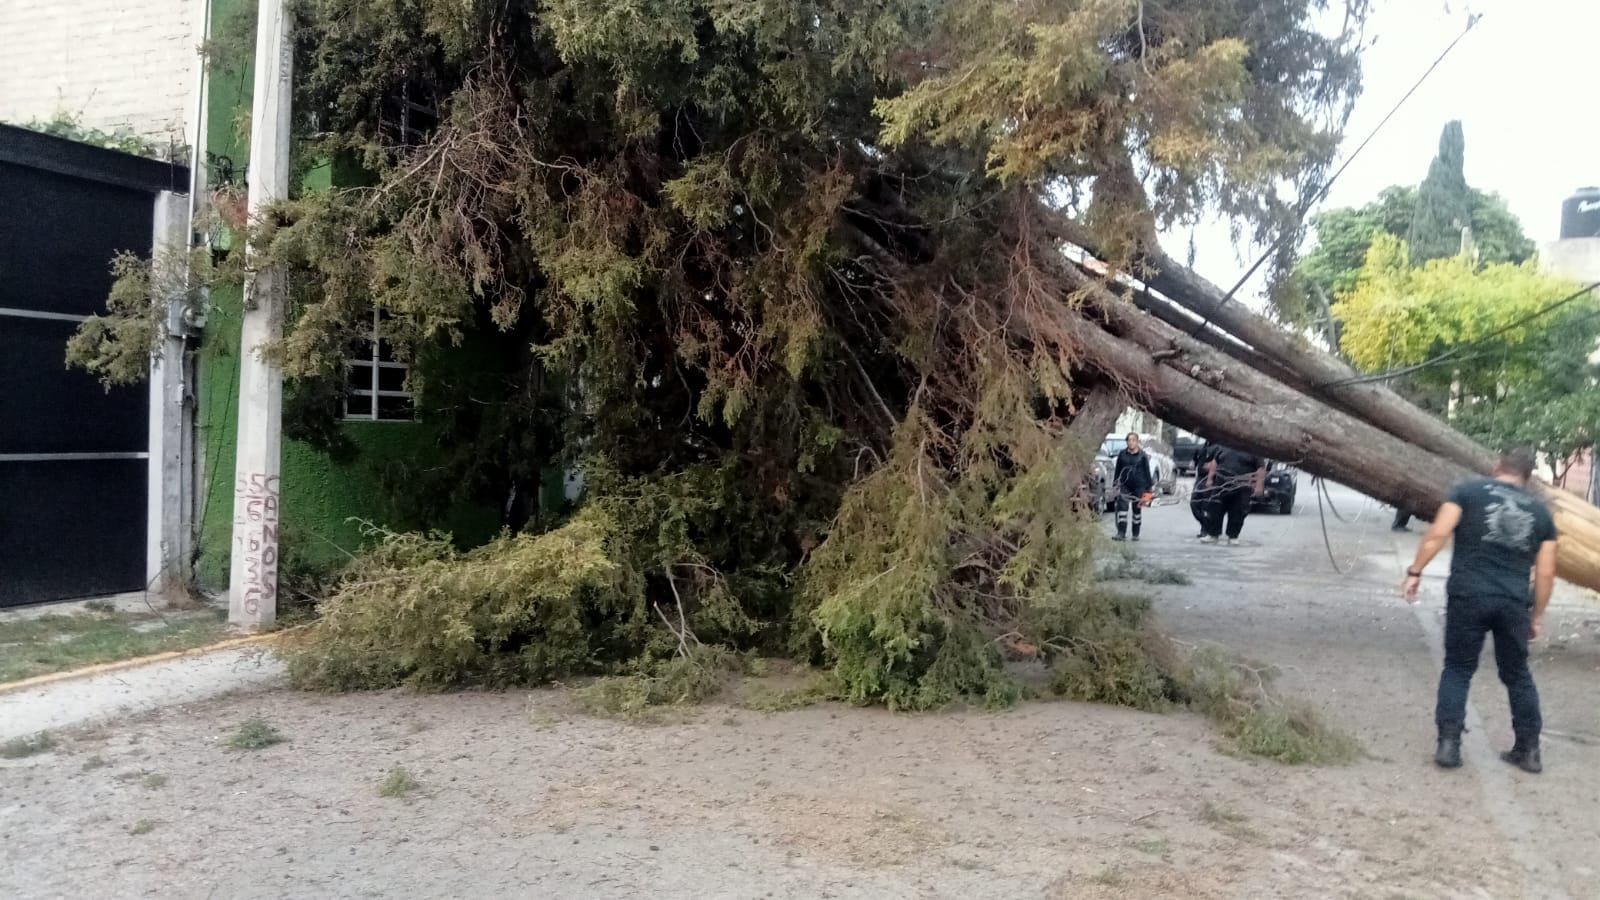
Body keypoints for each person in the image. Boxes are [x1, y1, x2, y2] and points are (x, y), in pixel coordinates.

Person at [1403, 448, 1557, 773]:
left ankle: (1448, 746)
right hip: (1513, 601)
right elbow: (1545, 573)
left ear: (1497, 466)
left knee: (1458, 668)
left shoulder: (1466, 491)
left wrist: (1416, 571)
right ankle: (1529, 751)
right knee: (1517, 674)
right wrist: (1537, 615)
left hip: (1468, 594)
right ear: (1528, 477)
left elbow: (1438, 534)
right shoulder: (1542, 513)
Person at [1199, 445, 1265, 545]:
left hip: (1242, 486)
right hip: (1221, 485)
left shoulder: (1253, 449)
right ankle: (1213, 535)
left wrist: (1259, 485)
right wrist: (1210, 479)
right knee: (1214, 509)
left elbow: (1261, 468)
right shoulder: (1224, 446)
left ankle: (1233, 536)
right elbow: (1215, 463)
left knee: (1238, 512)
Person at [1111, 432, 1155, 542]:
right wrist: (1116, 483)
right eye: (1129, 440)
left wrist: (1149, 488)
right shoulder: (1122, 454)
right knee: (1122, 509)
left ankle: (1136, 533)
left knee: (1137, 510)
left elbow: (1147, 472)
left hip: (1139, 486)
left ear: (1137, 442)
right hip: (1125, 485)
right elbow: (1118, 470)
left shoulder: (1142, 455)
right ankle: (1121, 533)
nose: (1131, 442)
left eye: (1133, 440)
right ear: (1127, 442)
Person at [1189, 442, 1220, 538]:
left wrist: (1213, 467)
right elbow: (1194, 461)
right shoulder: (1203, 446)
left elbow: (1221, 461)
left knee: (1206, 505)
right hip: (1200, 479)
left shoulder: (1218, 447)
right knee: (1194, 503)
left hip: (1211, 480)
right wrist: (1194, 462)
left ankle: (1206, 529)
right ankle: (1205, 524)